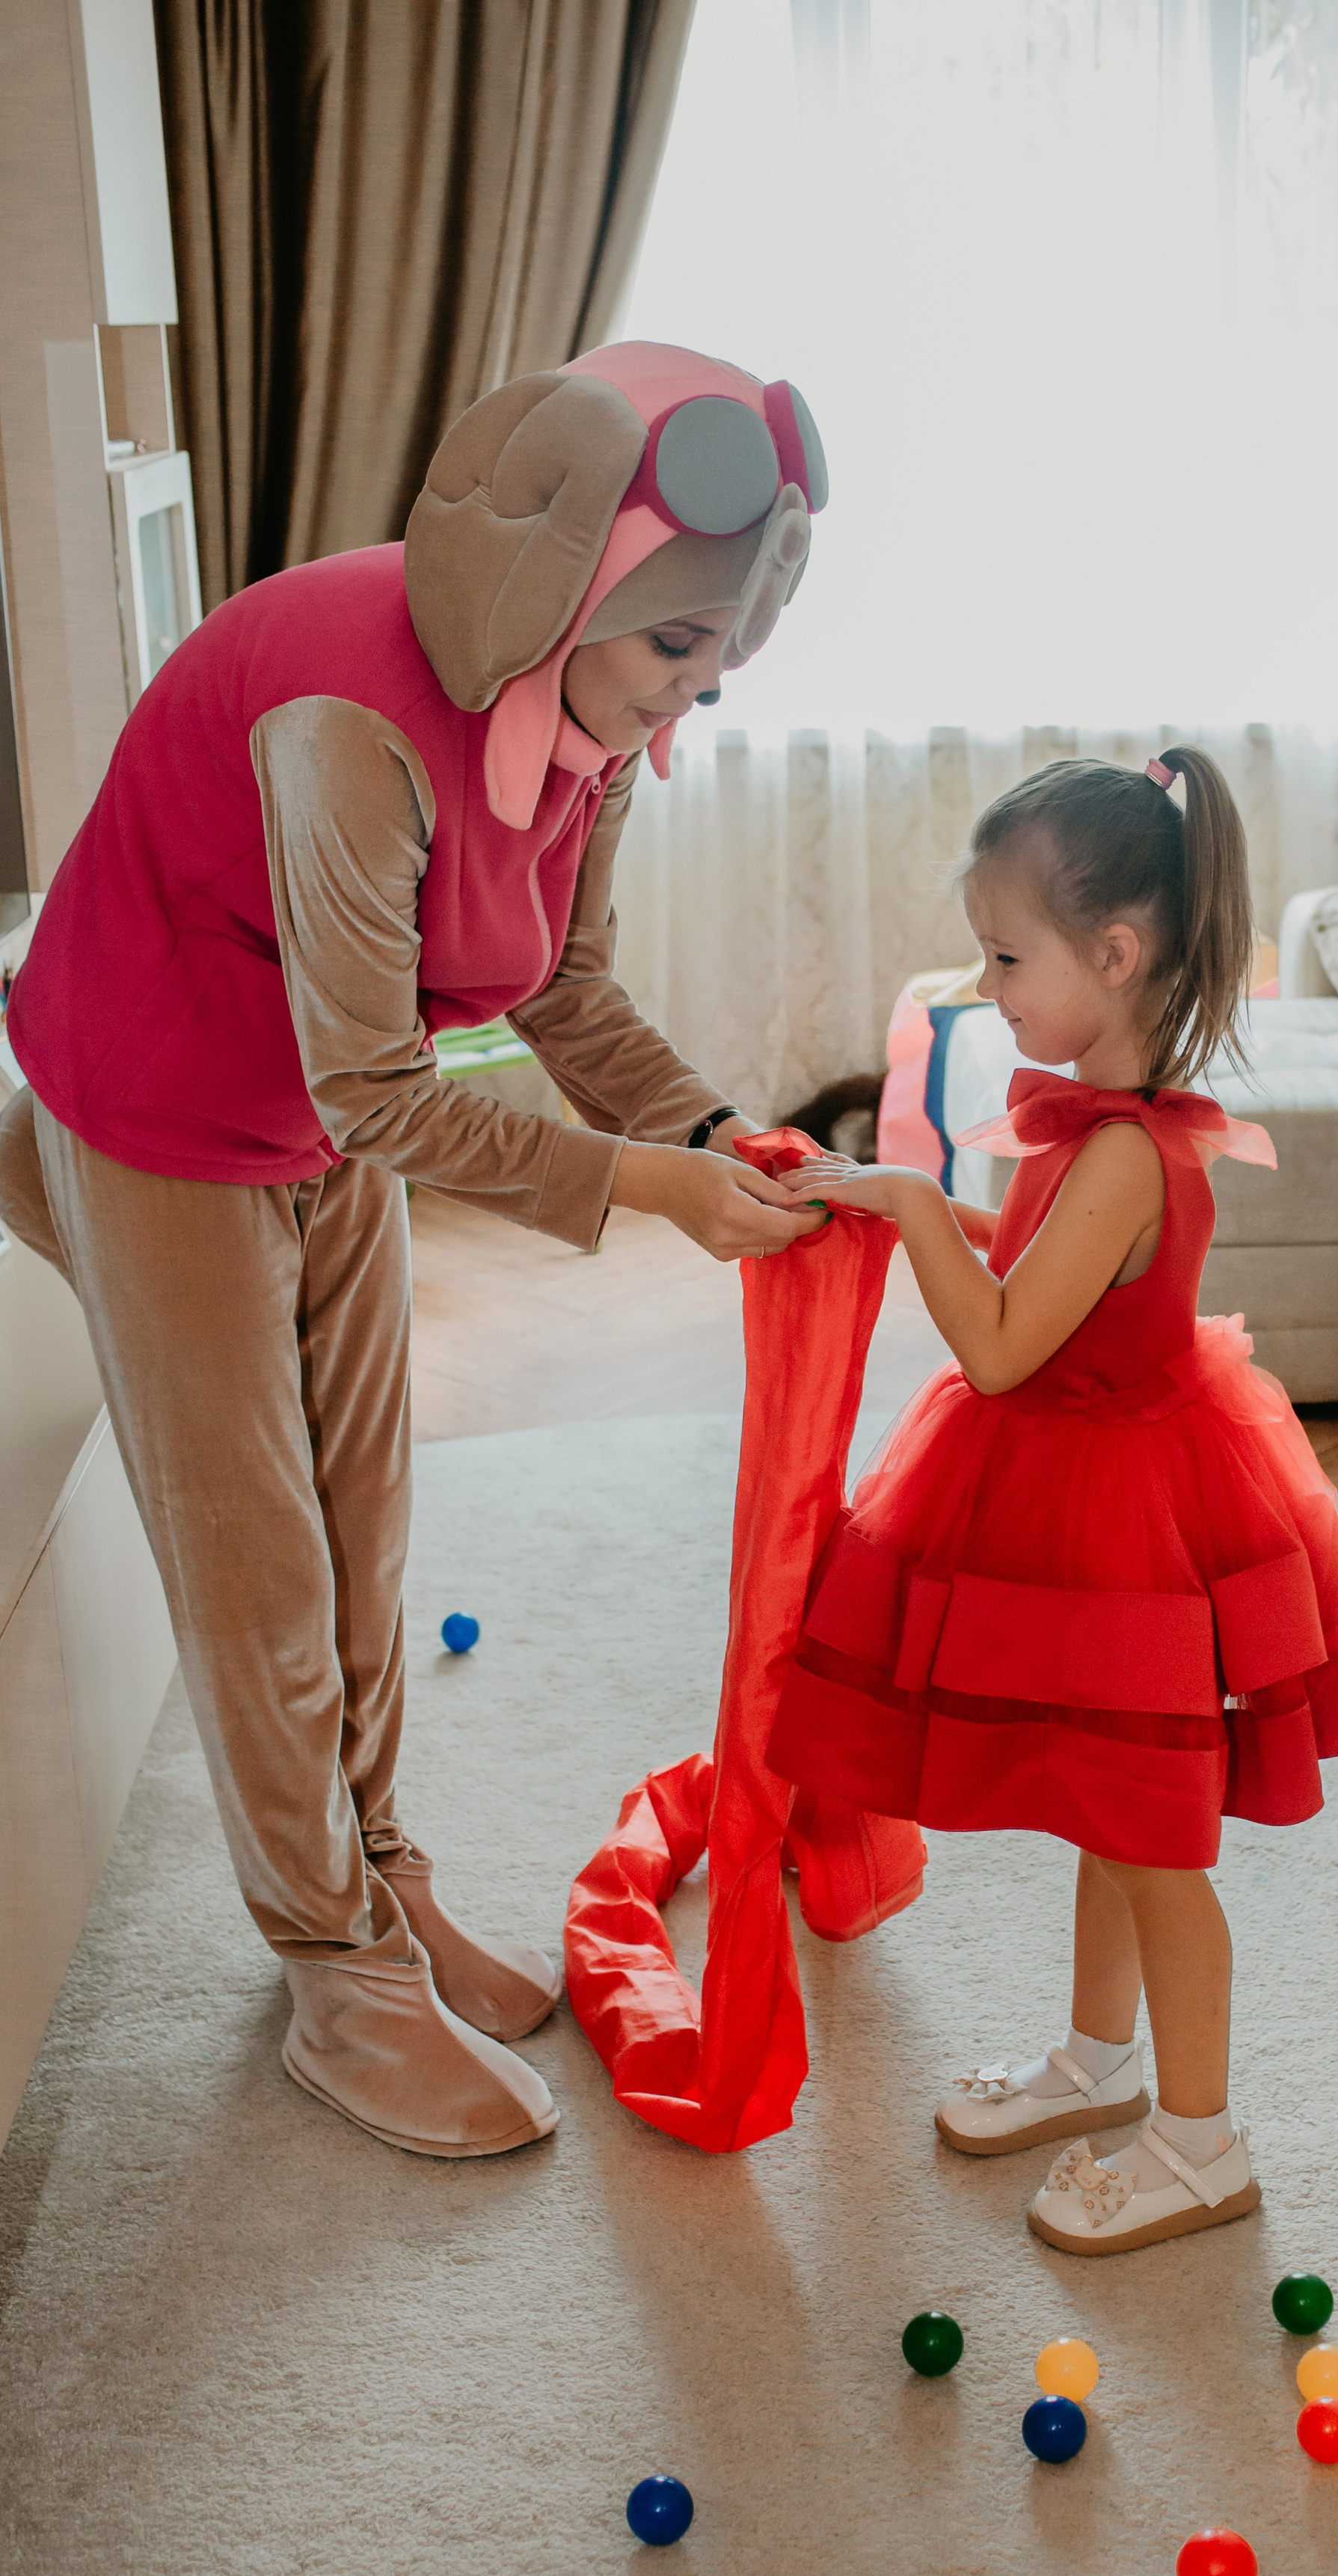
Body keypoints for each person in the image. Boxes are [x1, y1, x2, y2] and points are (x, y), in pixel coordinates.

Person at [0, 343, 825, 2161]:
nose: (685, 710)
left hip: (317, 1112)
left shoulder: (590, 723)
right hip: (156, 1111)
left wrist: (704, 1137)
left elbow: (566, 988)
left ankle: (378, 1885)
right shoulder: (349, 724)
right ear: (574, 586)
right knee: (261, 1572)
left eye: (721, 664)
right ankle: (331, 1982)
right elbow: (380, 1090)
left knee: (363, 1522)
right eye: (672, 652)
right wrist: (638, 1192)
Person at [767, 750, 1338, 2255]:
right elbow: (1042, 1266)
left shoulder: (1123, 1150)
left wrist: (924, 1207)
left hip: (1114, 1511)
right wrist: (905, 1198)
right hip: (1085, 1467)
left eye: (1006, 956)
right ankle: (1097, 2063)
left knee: (1150, 1842)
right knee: (1098, 1804)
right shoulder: (1099, 1129)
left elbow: (998, 1347)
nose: (983, 983)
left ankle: (1200, 2144)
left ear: (1112, 957)